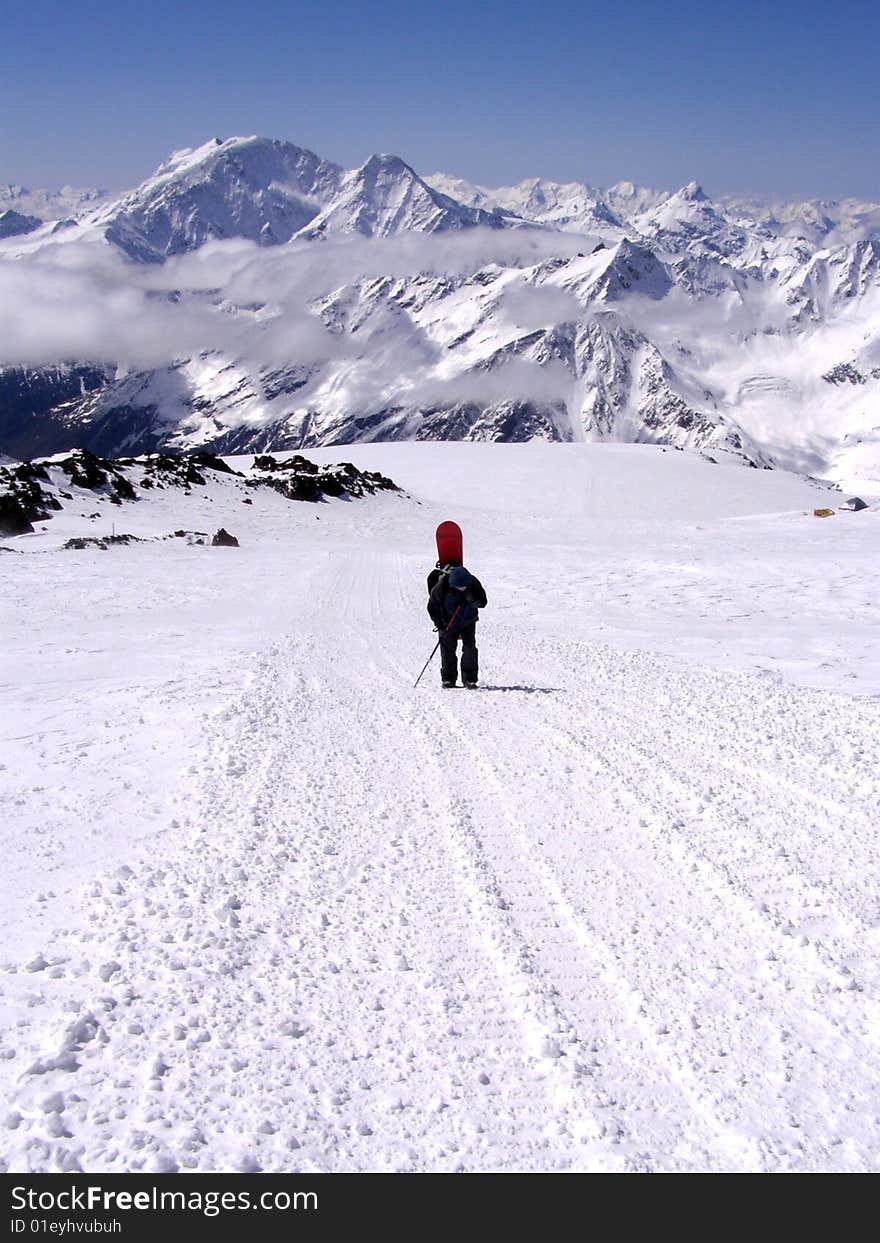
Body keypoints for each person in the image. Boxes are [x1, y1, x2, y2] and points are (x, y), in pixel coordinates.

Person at [426, 564, 488, 688]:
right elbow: (432, 606)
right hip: (447, 622)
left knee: (470, 649)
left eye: (464, 586)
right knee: (447, 649)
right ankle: (448, 679)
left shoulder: (473, 582)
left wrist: (472, 599)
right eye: (459, 587)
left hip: (468, 621)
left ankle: (469, 679)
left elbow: (483, 602)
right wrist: (439, 624)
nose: (462, 588)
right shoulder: (441, 587)